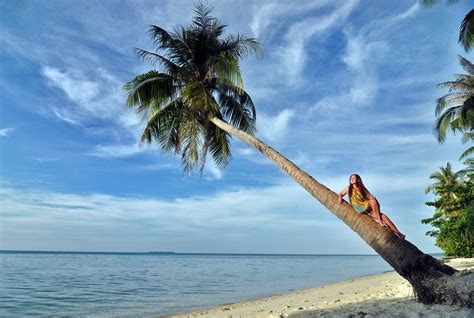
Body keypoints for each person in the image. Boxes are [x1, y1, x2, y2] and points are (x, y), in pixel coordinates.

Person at [338, 174, 405, 239]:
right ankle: (380, 221)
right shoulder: (348, 188)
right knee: (373, 202)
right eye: (350, 178)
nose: (351, 179)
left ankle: (399, 233)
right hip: (360, 209)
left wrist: (375, 204)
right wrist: (340, 197)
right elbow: (341, 193)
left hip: (367, 208)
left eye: (353, 178)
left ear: (358, 180)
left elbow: (370, 196)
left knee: (383, 216)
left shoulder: (362, 188)